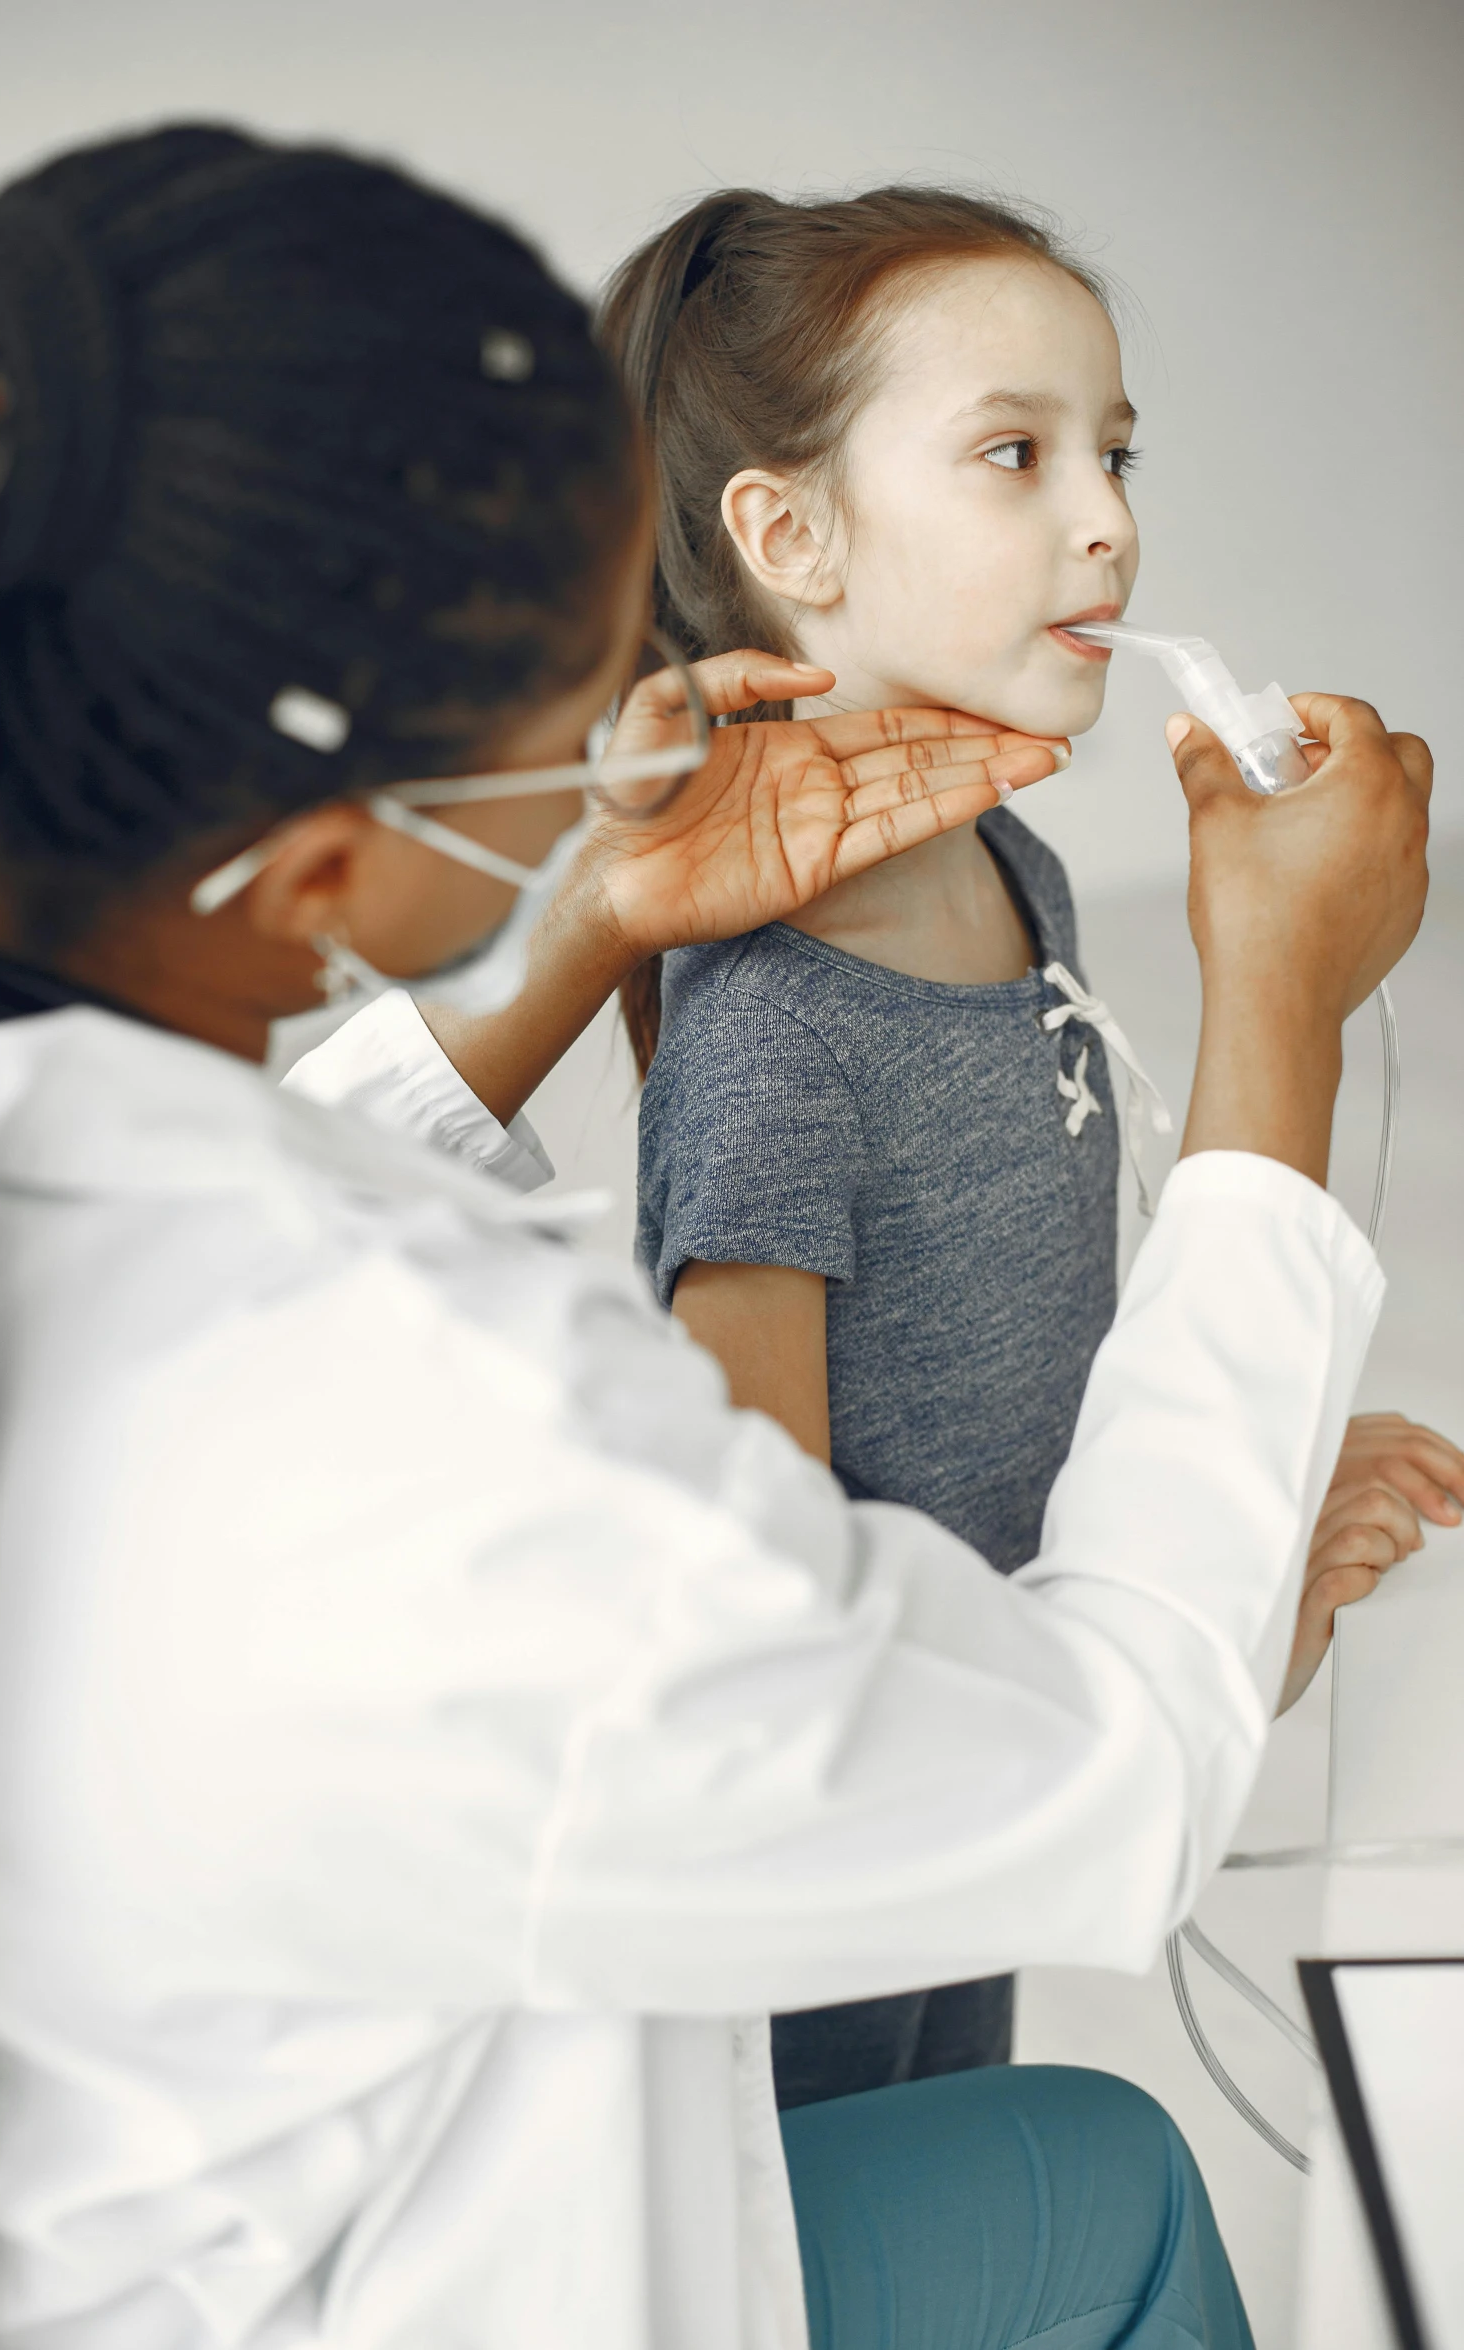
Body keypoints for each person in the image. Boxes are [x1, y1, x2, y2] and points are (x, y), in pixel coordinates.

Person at [0, 123, 1433, 2350]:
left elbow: (264, 1185)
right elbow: (1108, 1776)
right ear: (332, 862)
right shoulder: (465, 1439)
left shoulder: (28, 1152)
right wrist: (1280, 1011)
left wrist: (576, 916)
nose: (630, 708)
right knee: (1097, 2175)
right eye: (568, 669)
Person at [600, 187, 1464, 2102]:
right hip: (831, 1927)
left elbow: (1025, 1413)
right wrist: (1219, 1637)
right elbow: (797, 1699)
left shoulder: (1017, 865)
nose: (1110, 521)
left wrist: (1249, 1565)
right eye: (1017, 453)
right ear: (788, 535)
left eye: (1115, 450)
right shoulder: (770, 1049)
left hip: (1004, 1818)